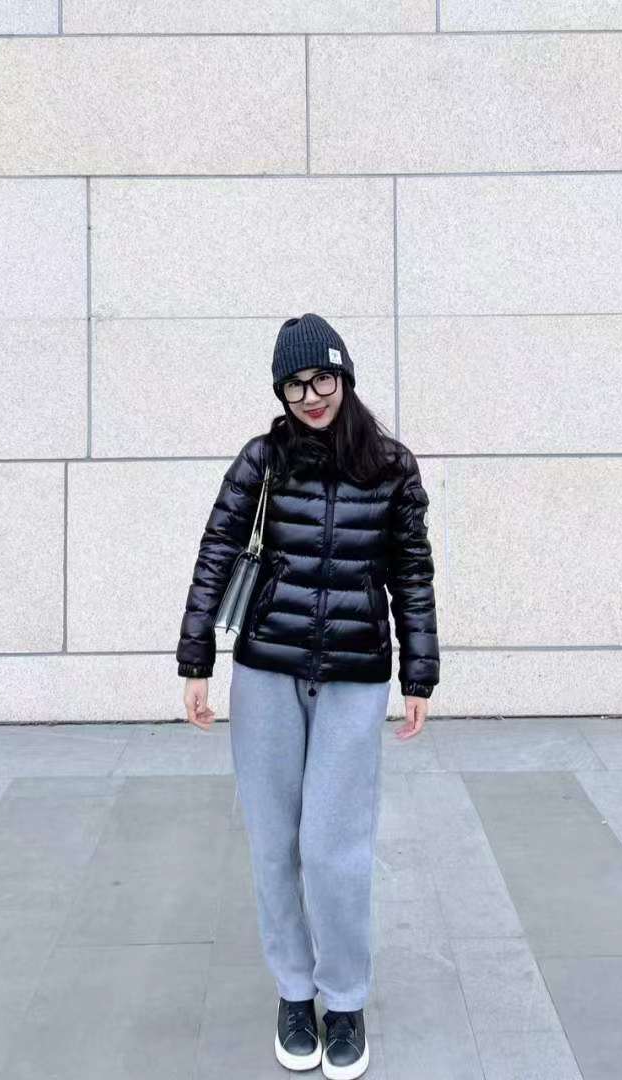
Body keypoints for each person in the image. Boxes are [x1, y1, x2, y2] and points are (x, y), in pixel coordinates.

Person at [176, 313, 439, 1079]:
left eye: (322, 378)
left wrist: (419, 672)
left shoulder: (391, 467)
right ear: (280, 393)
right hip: (267, 670)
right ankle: (295, 993)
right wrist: (196, 658)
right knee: (273, 843)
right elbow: (217, 553)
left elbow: (412, 573)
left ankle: (345, 999)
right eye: (294, 385)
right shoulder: (262, 461)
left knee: (334, 848)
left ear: (344, 377)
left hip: (355, 675)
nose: (311, 396)